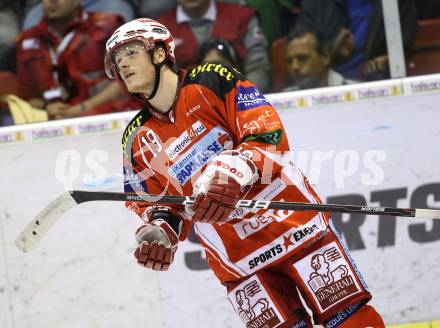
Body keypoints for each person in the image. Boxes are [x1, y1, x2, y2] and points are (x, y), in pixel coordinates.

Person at [105, 18, 385, 327]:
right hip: (239, 262)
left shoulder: (211, 80)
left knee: (352, 320)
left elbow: (267, 132)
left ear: (159, 54)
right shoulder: (135, 138)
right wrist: (160, 230)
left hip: (296, 229)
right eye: (118, 60)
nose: (123, 65)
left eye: (131, 53)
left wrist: (235, 170)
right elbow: (161, 205)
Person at [16, 0, 139, 120]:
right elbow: (28, 98)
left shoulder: (108, 26)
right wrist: (46, 107)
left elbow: (127, 81)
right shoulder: (28, 40)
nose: (52, 1)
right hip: (55, 122)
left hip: (107, 114)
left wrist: (81, 109)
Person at [157, 0, 271, 92]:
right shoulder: (159, 30)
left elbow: (258, 66)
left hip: (240, 99)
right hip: (186, 107)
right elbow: (161, 81)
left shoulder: (241, 17)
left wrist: (244, 97)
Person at [295, 0, 417, 81]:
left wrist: (387, 60)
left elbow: (404, 47)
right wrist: (332, 53)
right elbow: (299, 48)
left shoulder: (397, 2)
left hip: (379, 83)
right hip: (328, 84)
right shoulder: (316, 4)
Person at [284, 26, 356, 91]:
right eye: (289, 61)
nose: (294, 67)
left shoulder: (357, 92)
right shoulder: (281, 99)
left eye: (302, 58)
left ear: (325, 58)